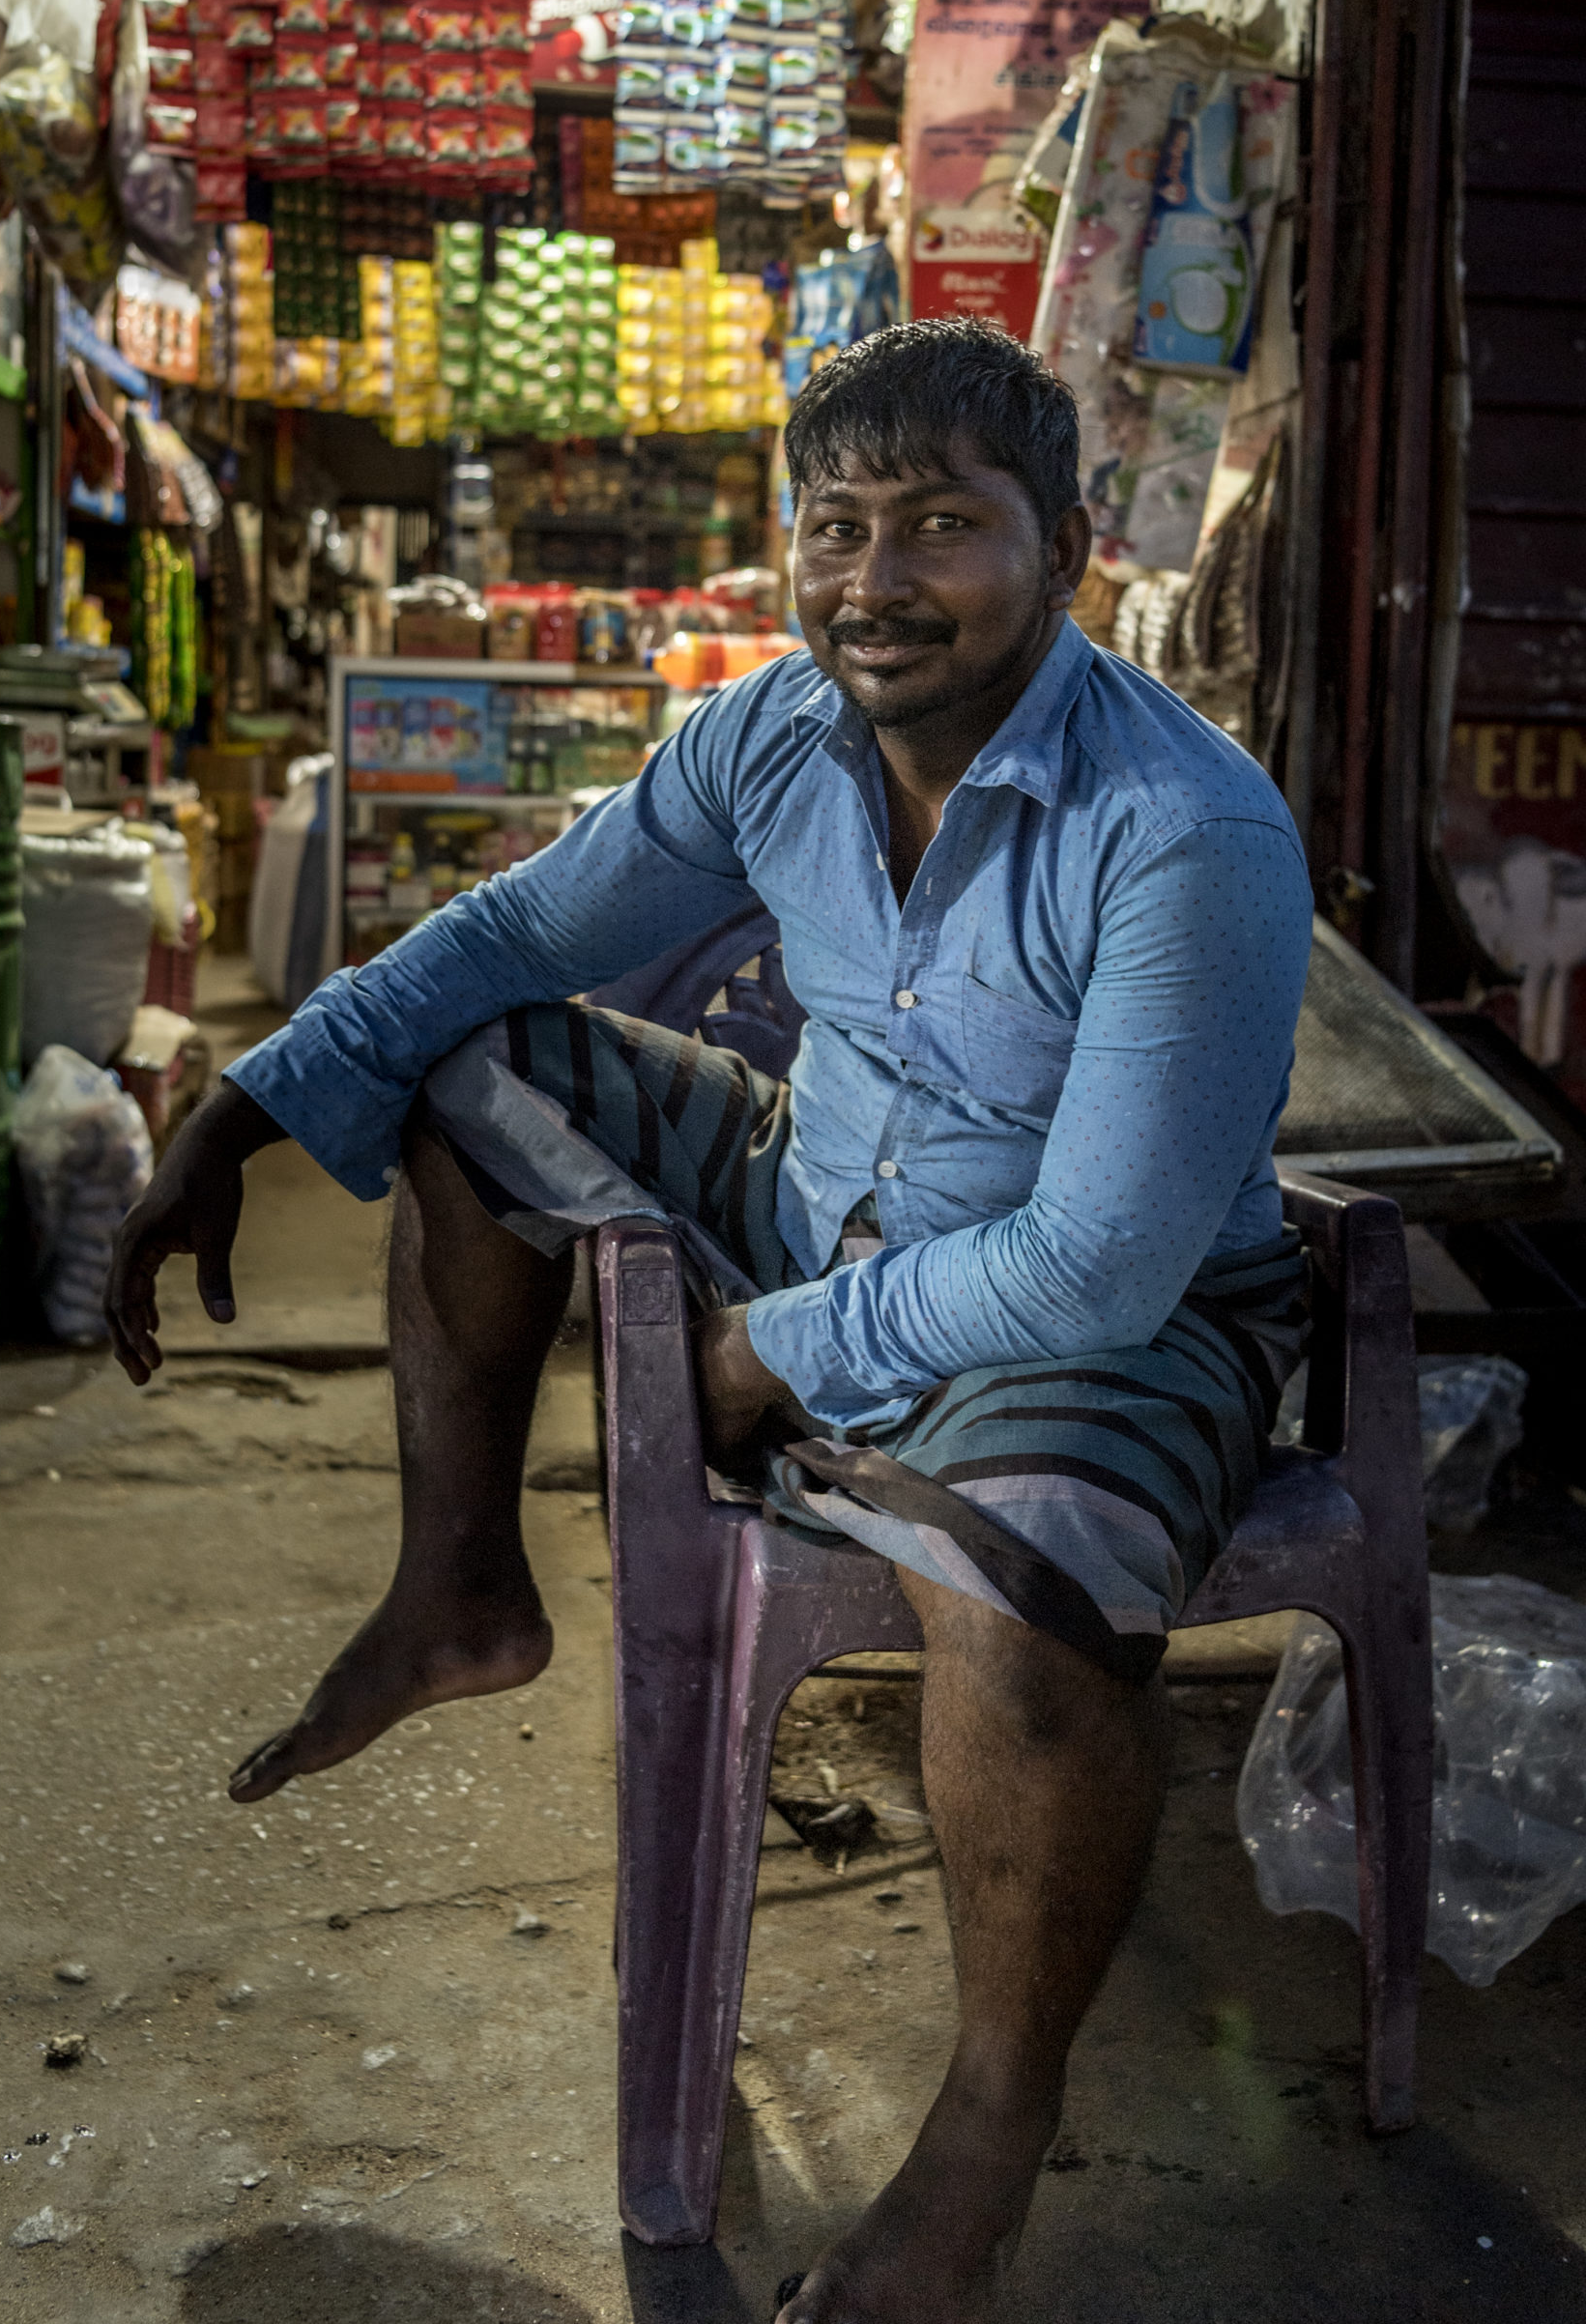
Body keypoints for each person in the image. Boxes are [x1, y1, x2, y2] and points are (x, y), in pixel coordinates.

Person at [107, 320, 1312, 2323]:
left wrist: (771, 1351)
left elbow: (1098, 1261)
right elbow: (508, 933)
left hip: (1118, 1305)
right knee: (483, 1059)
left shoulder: (1184, 826)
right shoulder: (766, 737)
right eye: (833, 527)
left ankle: (985, 2145)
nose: (874, 580)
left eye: (942, 525)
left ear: (1068, 548)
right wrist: (232, 1106)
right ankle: (462, 1586)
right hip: (824, 1184)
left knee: (1030, 1605)